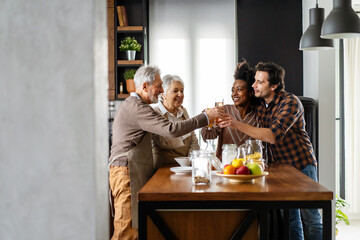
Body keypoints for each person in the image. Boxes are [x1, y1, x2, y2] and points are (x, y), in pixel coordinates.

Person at [108, 65, 224, 240]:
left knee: (134, 229)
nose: (162, 90)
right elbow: (171, 129)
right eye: (159, 86)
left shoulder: (138, 105)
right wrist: (206, 117)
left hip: (129, 171)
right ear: (145, 87)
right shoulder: (138, 108)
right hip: (126, 172)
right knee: (127, 232)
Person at [218, 61, 322, 240]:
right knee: (291, 218)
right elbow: (243, 102)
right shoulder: (261, 104)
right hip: (280, 169)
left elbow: (272, 136)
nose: (254, 85)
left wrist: (234, 124)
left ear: (273, 86)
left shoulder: (290, 102)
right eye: (255, 81)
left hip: (301, 165)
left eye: (259, 82)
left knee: (311, 218)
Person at [201, 60, 258, 160]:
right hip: (225, 167)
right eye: (232, 90)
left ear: (250, 93)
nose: (234, 94)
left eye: (239, 89)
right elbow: (208, 138)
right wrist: (207, 123)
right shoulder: (224, 110)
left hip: (250, 167)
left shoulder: (258, 114)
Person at [151, 74, 200, 170]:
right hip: (162, 169)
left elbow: (193, 139)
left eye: (182, 91)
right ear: (163, 94)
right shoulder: (155, 113)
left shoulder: (183, 112)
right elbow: (163, 141)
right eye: (175, 91)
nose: (180, 94)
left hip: (185, 168)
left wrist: (191, 160)